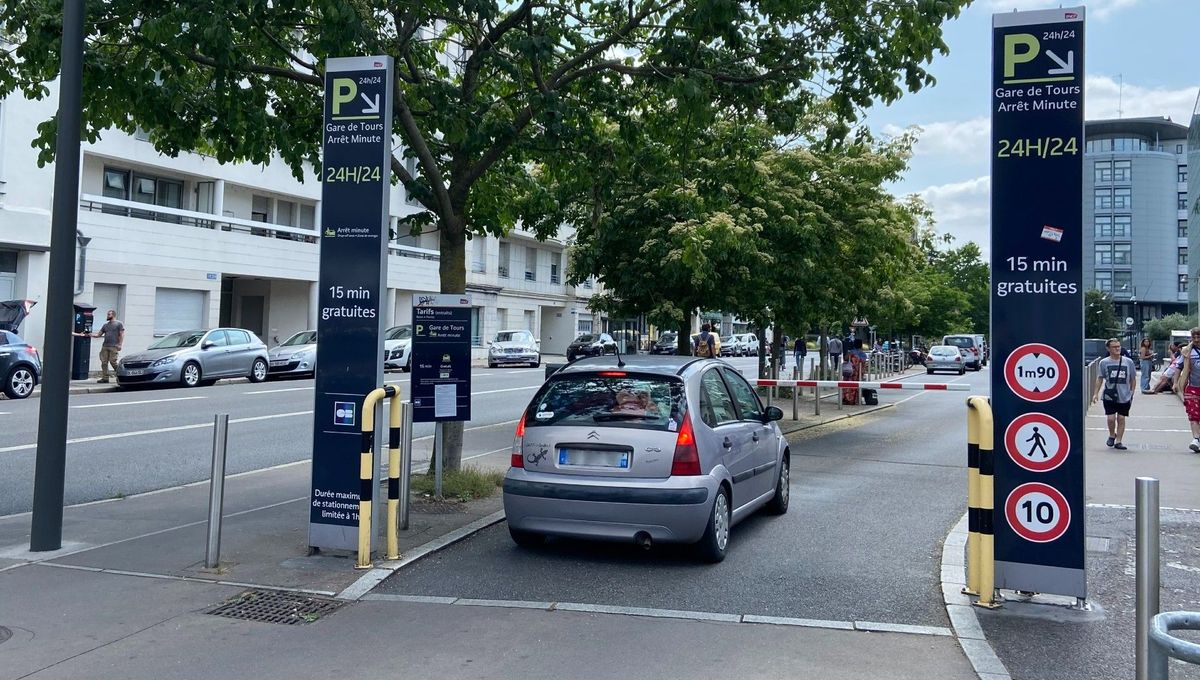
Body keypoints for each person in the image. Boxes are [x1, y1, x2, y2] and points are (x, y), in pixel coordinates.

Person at [1092, 337, 1136, 450]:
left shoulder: (1128, 362)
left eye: (1119, 346)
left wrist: (1131, 393)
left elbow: (1132, 378)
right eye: (1114, 347)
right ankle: (1112, 435)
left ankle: (1119, 441)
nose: (1117, 349)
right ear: (1108, 348)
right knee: (1111, 418)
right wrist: (1095, 393)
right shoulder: (1104, 362)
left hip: (1124, 395)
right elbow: (1100, 378)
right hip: (1109, 395)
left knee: (1121, 418)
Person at [75, 308, 124, 383]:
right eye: (107, 314)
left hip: (114, 346)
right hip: (105, 346)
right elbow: (98, 335)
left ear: (113, 315)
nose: (107, 316)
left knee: (113, 362)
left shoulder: (118, 324)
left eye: (109, 314)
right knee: (104, 362)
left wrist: (120, 344)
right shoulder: (105, 325)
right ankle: (105, 378)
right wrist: (90, 334)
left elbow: (122, 334)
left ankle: (121, 375)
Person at [1171, 328, 1200, 452]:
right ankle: (1196, 439)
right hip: (1193, 387)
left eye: (1198, 336)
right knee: (1193, 414)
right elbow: (1178, 367)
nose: (1196, 339)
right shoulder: (1187, 351)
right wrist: (1176, 382)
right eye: (1194, 337)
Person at [841, 339, 868, 405]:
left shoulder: (850, 352)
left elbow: (845, 359)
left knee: (847, 385)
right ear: (861, 345)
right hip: (857, 373)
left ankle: (846, 398)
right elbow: (864, 363)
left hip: (849, 372)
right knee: (856, 386)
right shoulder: (863, 354)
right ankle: (855, 399)